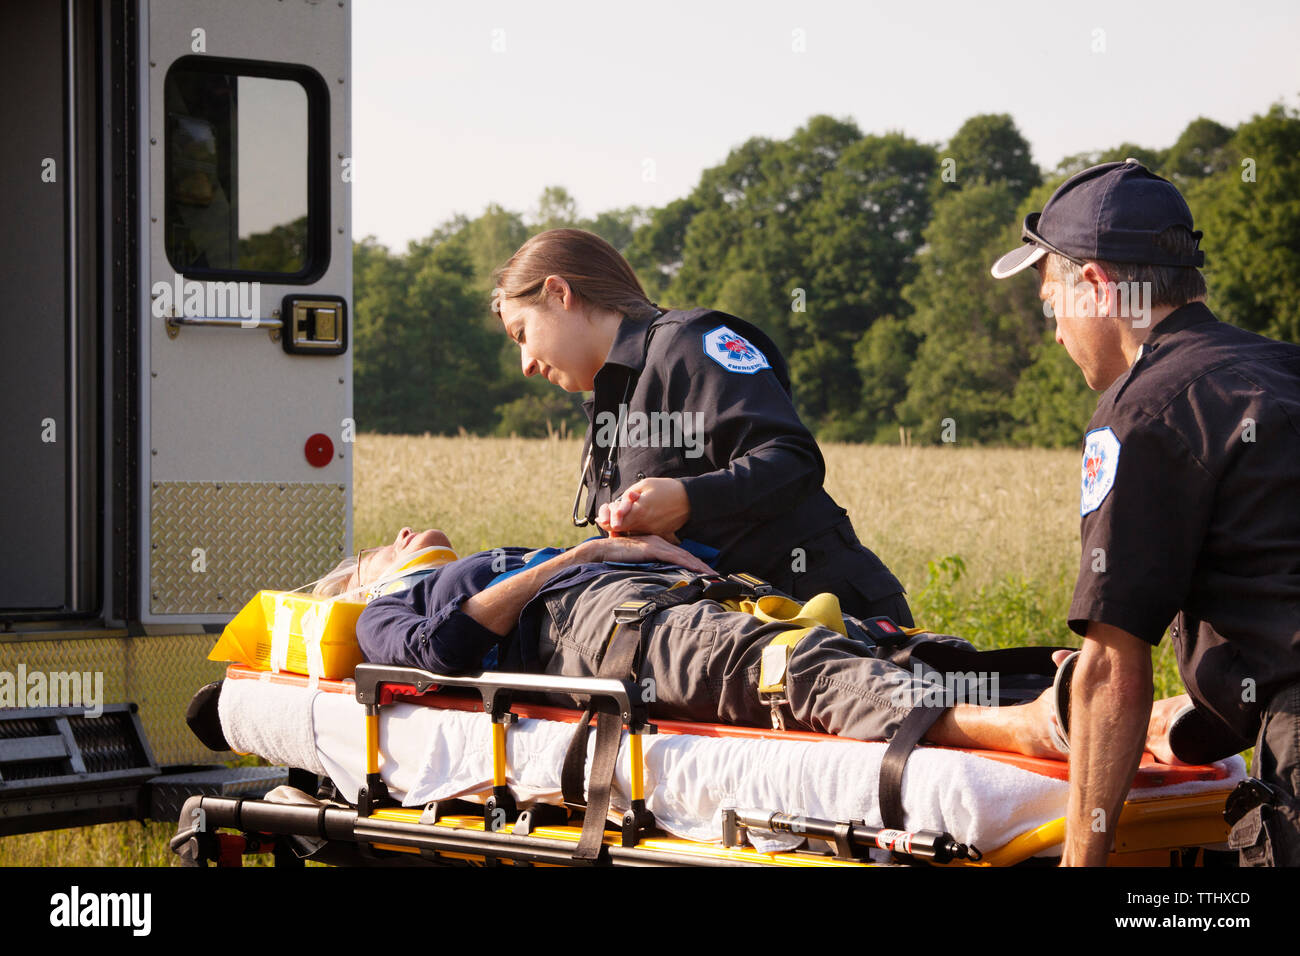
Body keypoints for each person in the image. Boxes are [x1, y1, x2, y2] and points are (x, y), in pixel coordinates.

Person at [990, 159, 1300, 866]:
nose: (1057, 333)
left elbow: (1110, 669)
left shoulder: (1145, 410)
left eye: (1051, 303)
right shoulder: (1285, 367)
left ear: (1096, 286)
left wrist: (1082, 861)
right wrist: (1195, 724)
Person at [338, 525, 1191, 765]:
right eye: (389, 538)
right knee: (799, 671)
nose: (408, 531)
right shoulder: (387, 603)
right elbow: (443, 655)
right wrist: (582, 557)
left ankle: (1139, 720)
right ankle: (1031, 731)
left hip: (684, 597)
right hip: (606, 633)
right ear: (367, 574)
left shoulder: (485, 559)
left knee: (921, 653)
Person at [491, 229, 912, 625]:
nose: (525, 365)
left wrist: (688, 499)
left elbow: (792, 458)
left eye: (522, 333)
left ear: (560, 293)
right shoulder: (609, 406)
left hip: (836, 620)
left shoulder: (692, 342)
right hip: (736, 640)